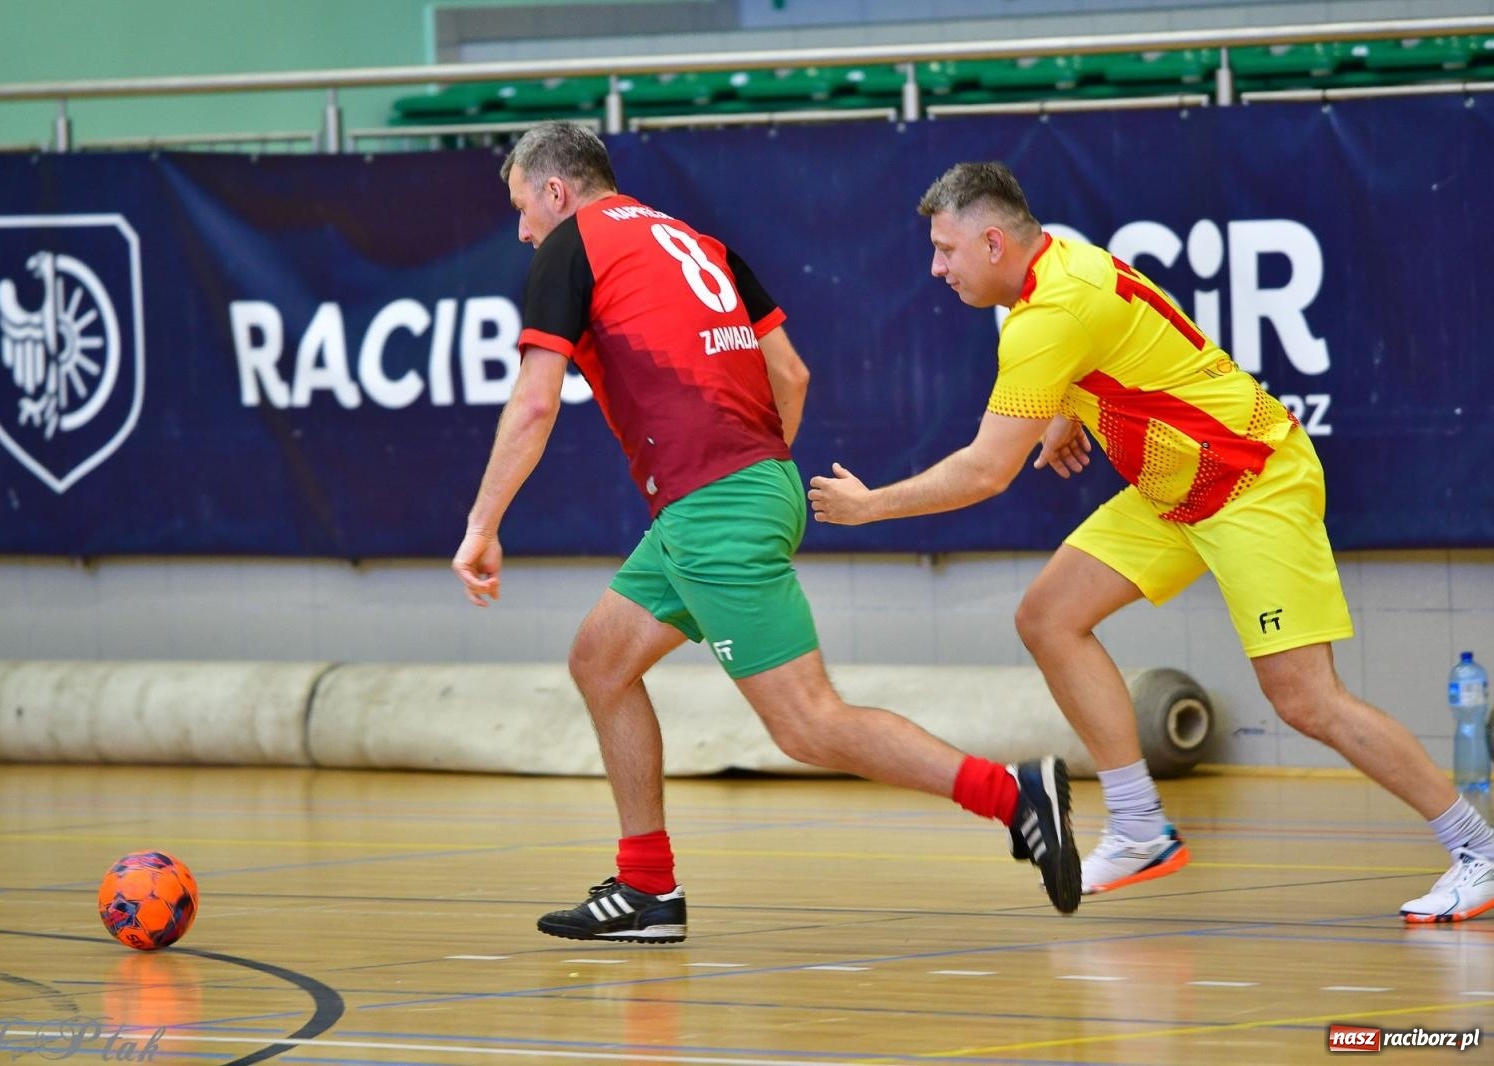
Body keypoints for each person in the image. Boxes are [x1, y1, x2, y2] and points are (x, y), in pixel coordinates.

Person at [808, 160, 1494, 922]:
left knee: (1306, 700)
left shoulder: (1048, 316)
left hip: (1250, 479)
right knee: (1048, 617)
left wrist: (870, 507)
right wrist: (1070, 410)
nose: (936, 268)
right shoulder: (1061, 262)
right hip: (1175, 489)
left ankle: (1478, 848)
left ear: (995, 242)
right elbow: (1134, 341)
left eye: (946, 250)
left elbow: (983, 473)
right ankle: (1139, 828)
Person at [452, 123, 1082, 941]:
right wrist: (752, 476)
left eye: (523, 209)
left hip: (714, 506)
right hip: (746, 488)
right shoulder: (698, 241)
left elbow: (534, 404)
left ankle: (1014, 796)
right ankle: (648, 890)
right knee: (601, 662)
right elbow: (791, 373)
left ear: (556, 192)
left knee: (807, 722)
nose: (523, 231)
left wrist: (481, 525)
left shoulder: (571, 246)